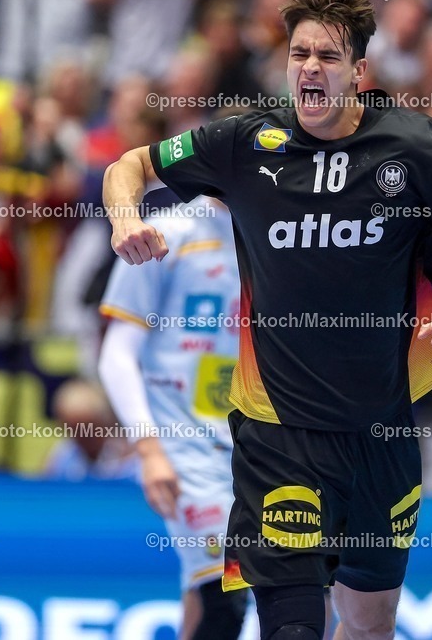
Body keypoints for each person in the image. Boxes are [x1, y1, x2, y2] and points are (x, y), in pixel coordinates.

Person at [102, 0, 432, 640]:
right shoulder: (247, 144)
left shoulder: (416, 149)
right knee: (293, 627)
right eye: (299, 54)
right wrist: (125, 218)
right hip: (276, 436)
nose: (310, 68)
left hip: (380, 436)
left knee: (368, 624)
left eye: (328, 57)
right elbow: (128, 165)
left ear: (358, 72)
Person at [98, 195, 249, 640]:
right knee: (225, 592)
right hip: (184, 445)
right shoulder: (163, 233)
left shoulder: (279, 234)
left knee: (299, 594)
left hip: (259, 444)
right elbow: (116, 354)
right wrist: (150, 450)